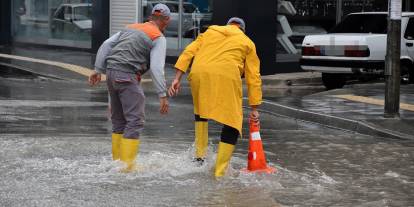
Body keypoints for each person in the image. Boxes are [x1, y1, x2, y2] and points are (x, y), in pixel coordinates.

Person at [168, 17, 262, 178]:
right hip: (226, 75)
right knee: (233, 121)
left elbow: (188, 52)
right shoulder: (247, 42)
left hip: (199, 73)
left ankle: (200, 158)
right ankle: (220, 171)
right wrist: (254, 107)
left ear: (227, 26)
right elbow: (254, 76)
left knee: (201, 112)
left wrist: (177, 78)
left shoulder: (209, 32)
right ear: (242, 29)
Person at [88, 3, 171, 172]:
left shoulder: (130, 27)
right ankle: (127, 168)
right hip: (126, 75)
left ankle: (116, 164)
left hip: (111, 73)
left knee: (118, 121)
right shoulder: (158, 37)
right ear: (167, 21)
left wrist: (97, 70)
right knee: (135, 120)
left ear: (150, 17)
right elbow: (156, 67)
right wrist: (162, 94)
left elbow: (105, 45)